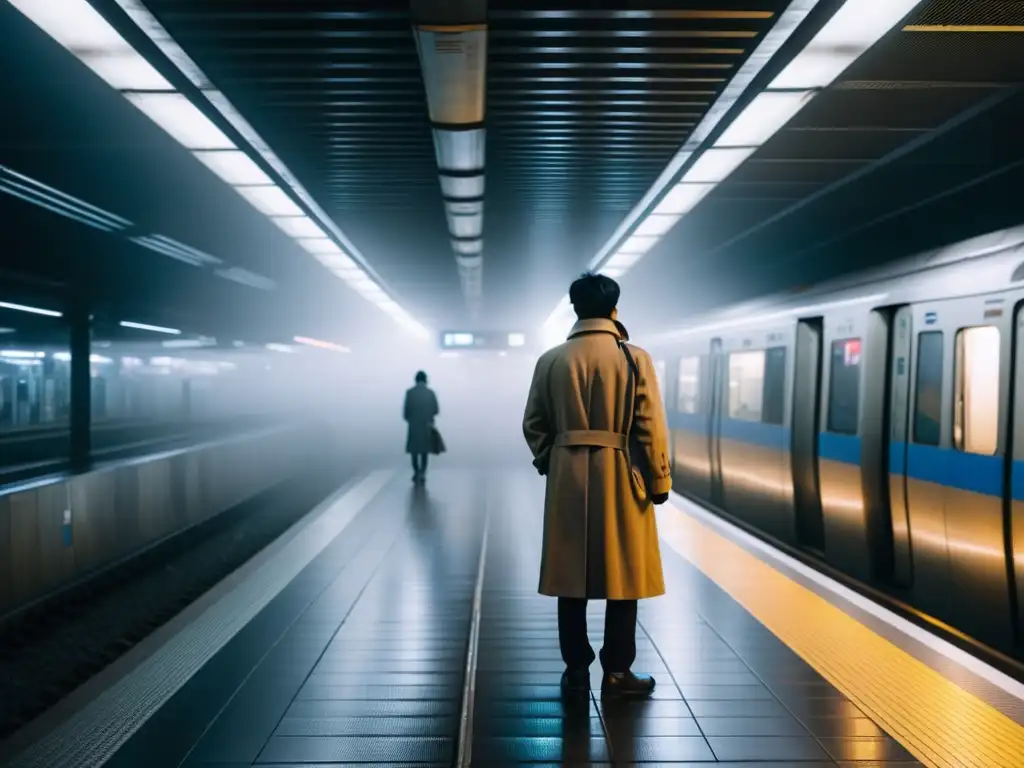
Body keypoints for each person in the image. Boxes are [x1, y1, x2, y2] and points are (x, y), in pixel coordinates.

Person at [523, 272, 671, 699]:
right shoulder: (633, 358)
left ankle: (575, 671)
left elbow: (533, 423)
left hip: (568, 477)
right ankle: (617, 673)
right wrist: (659, 480)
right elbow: (649, 426)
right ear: (614, 309)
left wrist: (552, 457)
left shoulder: (551, 360)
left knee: (570, 579)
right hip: (623, 474)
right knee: (623, 577)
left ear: (574, 309)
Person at [404, 370, 439, 484]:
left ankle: (416, 471)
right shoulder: (430, 393)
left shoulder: (410, 393)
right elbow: (436, 409)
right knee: (425, 450)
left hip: (414, 425)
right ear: (425, 380)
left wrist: (409, 419)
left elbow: (406, 410)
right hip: (426, 424)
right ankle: (423, 472)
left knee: (414, 450)